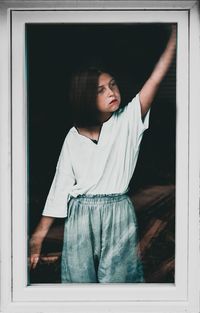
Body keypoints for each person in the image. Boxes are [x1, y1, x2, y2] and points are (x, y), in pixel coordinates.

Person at [29, 25, 177, 283]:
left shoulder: (128, 121)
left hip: (118, 212)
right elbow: (61, 185)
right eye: (101, 90)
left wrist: (175, 38)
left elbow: (154, 79)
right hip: (80, 215)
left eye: (113, 85)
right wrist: (39, 234)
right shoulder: (73, 137)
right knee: (79, 281)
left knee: (119, 282)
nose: (112, 92)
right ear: (85, 97)